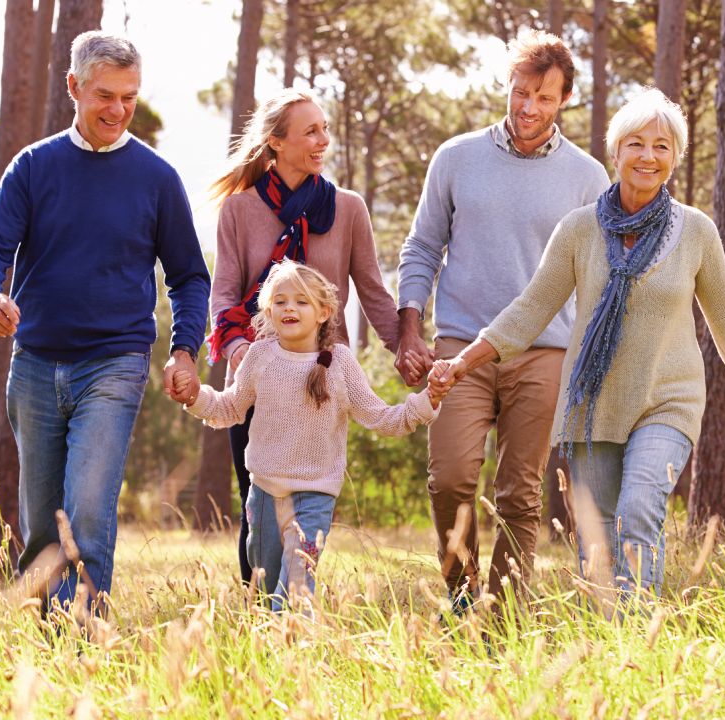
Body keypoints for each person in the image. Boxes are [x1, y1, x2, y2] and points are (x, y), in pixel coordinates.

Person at [430, 88, 725, 596]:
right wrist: (462, 361)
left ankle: (636, 638)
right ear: (616, 151)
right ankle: (611, 643)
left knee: (639, 507)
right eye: (636, 144)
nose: (648, 156)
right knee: (598, 537)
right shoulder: (579, 230)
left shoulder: (695, 231)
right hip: (594, 404)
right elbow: (532, 309)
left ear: (675, 158)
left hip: (668, 400)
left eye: (662, 146)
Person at [0, 32, 210, 610]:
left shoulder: (157, 179)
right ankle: (49, 638)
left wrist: (185, 350)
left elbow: (188, 275)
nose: (118, 109)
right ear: (74, 87)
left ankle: (83, 632)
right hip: (34, 365)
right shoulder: (33, 167)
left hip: (115, 361)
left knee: (85, 507)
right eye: (105, 94)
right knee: (38, 519)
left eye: (129, 97)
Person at [397, 29, 611, 609]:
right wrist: (409, 327)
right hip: (460, 347)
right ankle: (461, 594)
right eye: (520, 92)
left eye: (543, 97)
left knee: (519, 493)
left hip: (545, 351)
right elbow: (422, 247)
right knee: (450, 477)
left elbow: (598, 276)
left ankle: (504, 613)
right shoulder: (456, 157)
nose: (528, 108)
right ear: (508, 87)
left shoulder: (588, 178)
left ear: (564, 99)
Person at [207, 88, 422, 585]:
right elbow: (224, 294)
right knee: (258, 505)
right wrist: (243, 354)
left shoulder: (347, 209)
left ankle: (295, 606)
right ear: (276, 144)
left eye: (325, 128)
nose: (324, 140)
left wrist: (406, 350)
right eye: (311, 131)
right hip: (256, 379)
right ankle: (260, 610)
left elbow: (372, 291)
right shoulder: (239, 210)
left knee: (310, 505)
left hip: (322, 380)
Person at [177, 261, 442, 610]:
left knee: (296, 589)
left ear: (323, 312)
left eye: (301, 301)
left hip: (314, 497)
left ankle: (294, 648)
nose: (290, 308)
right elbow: (229, 408)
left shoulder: (340, 364)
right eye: (281, 301)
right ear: (268, 310)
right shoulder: (259, 357)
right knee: (268, 588)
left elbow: (382, 418)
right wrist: (196, 397)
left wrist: (428, 400)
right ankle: (274, 653)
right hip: (265, 495)